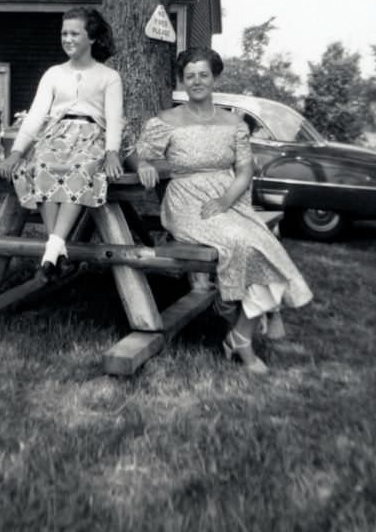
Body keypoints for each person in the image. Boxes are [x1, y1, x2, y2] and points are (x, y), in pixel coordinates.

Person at [131, 46, 313, 373]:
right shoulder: (167, 121)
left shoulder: (234, 123)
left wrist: (225, 201)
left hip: (229, 199)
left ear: (214, 78)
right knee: (243, 245)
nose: (197, 81)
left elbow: (244, 172)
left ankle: (240, 333)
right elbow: (138, 153)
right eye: (190, 76)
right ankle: (236, 317)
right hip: (187, 202)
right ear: (182, 82)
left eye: (203, 74)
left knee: (266, 246)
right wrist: (144, 163)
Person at [0, 7, 124, 280]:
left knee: (80, 169)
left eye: (74, 33)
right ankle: (57, 252)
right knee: (40, 166)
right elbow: (35, 116)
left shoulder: (108, 77)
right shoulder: (53, 74)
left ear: (91, 38)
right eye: (64, 33)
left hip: (91, 135)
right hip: (55, 135)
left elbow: (114, 119)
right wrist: (17, 152)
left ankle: (51, 251)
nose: (67, 39)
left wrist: (112, 152)